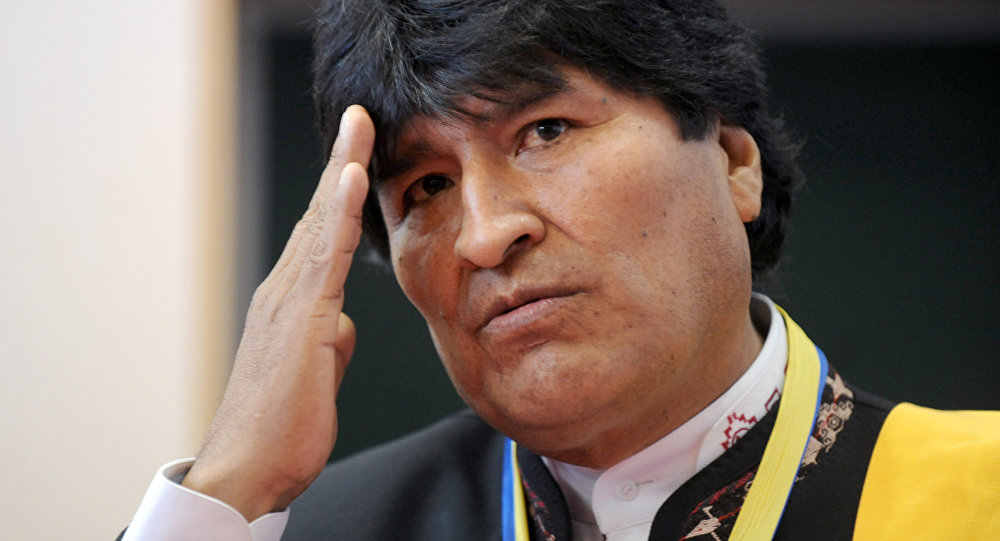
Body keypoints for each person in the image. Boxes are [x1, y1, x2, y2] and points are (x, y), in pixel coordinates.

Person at [121, 1, 1000, 539]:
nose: (484, 234)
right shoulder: (308, 530)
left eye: (545, 131)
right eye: (426, 186)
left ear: (736, 161)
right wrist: (231, 487)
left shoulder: (979, 493)